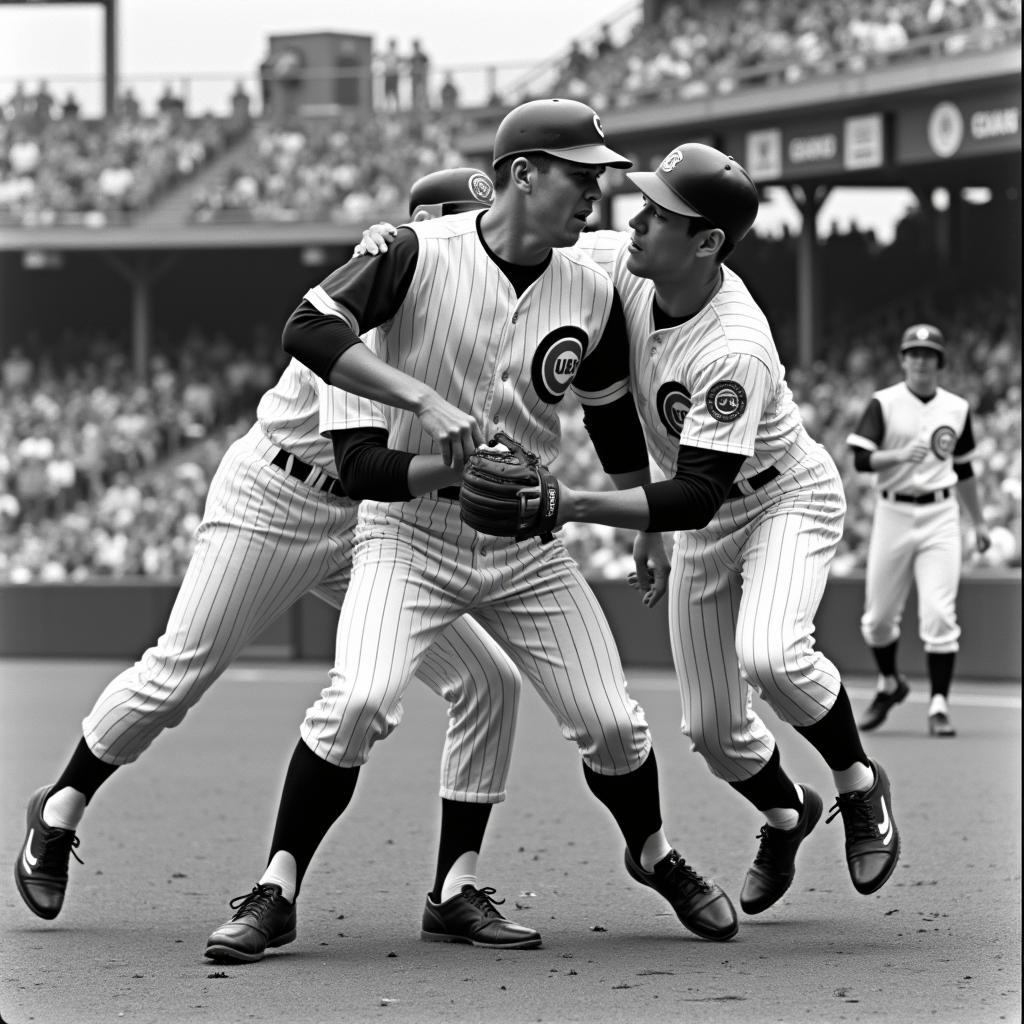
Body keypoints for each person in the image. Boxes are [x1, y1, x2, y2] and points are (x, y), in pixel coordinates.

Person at [214, 99, 741, 965]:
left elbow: (607, 407)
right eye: (581, 176)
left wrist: (641, 515)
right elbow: (307, 330)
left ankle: (649, 855)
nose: (597, 195)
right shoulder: (417, 254)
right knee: (359, 699)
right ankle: (277, 889)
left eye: (603, 179)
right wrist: (419, 404)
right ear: (523, 174)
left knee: (613, 725)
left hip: (527, 545)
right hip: (409, 535)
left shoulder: (591, 281)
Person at [14, 170, 526, 964]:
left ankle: (455, 887)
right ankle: (60, 809)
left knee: (487, 681)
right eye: (459, 221)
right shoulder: (382, 285)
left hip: (372, 519)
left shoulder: (484, 317)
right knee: (176, 673)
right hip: (278, 495)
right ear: (419, 230)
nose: (475, 238)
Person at [449, 142, 902, 916]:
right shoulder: (627, 260)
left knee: (773, 654)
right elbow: (505, 227)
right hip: (699, 517)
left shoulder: (733, 346)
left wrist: (574, 505)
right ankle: (787, 813)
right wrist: (405, 236)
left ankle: (860, 784)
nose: (639, 217)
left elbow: (694, 494)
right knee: (716, 732)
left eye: (662, 212)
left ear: (707, 243)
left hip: (779, 498)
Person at [847, 323, 991, 737]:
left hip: (941, 515)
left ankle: (939, 705)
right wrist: (897, 456)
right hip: (893, 513)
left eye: (928, 355)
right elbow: (860, 460)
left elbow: (963, 468)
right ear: (903, 359)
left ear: (939, 362)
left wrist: (979, 522)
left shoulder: (957, 408)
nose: (921, 361)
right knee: (876, 621)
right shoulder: (884, 402)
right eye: (914, 353)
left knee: (940, 614)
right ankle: (890, 683)